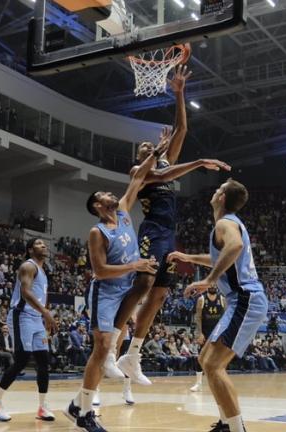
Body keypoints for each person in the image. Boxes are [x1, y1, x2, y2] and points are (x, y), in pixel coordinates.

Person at [116, 60, 232, 386]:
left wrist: (179, 94)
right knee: (143, 286)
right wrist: (175, 158)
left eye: (150, 145)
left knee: (160, 294)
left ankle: (133, 353)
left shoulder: (164, 159)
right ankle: (112, 344)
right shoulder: (139, 172)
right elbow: (164, 173)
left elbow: (182, 130)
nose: (147, 147)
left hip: (169, 233)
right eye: (143, 148)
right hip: (152, 229)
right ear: (140, 156)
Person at [64, 140, 163, 432]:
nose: (112, 194)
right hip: (105, 292)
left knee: (111, 347)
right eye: (106, 194)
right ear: (97, 205)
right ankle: (84, 412)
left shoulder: (122, 212)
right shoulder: (97, 232)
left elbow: (137, 178)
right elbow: (100, 271)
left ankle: (77, 406)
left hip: (127, 289)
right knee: (103, 348)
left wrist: (156, 153)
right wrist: (136, 265)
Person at [169, 179, 269, 432]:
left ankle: (236, 428)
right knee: (206, 360)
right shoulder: (228, 224)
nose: (214, 191)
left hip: (245, 297)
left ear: (222, 197)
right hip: (242, 299)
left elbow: (234, 247)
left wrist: (210, 280)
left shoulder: (226, 223)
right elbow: (219, 256)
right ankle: (227, 423)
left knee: (213, 365)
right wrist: (189, 257)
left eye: (218, 189)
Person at [0, 238, 56, 423]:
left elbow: (39, 296)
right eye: (39, 244)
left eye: (44, 244)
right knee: (22, 359)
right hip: (21, 316)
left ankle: (42, 406)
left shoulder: (44, 271)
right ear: (30, 250)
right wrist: (46, 312)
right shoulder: (28, 266)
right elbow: (25, 292)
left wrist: (43, 317)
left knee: (43, 361)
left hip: (36, 318)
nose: (44, 245)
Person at [191, 285, 225, 392]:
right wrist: (199, 333)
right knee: (201, 357)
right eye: (211, 285)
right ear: (207, 287)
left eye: (215, 285)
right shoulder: (202, 299)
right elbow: (198, 317)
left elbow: (226, 317)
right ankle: (198, 383)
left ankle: (219, 382)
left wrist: (224, 332)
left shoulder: (222, 299)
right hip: (205, 333)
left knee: (219, 359)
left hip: (218, 333)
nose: (213, 286)